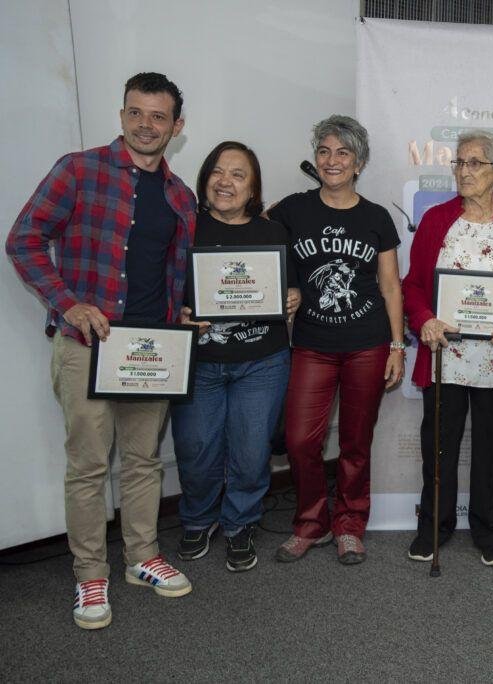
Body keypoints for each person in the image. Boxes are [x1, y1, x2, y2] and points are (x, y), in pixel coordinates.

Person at [6, 72, 196, 629]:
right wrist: (67, 303)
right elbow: (23, 239)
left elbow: (172, 271)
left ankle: (141, 558)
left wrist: (179, 312)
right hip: (87, 345)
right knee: (88, 467)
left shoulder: (179, 195)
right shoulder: (78, 170)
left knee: (143, 461)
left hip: (150, 350)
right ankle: (90, 575)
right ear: (122, 116)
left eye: (158, 116)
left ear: (176, 127)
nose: (146, 125)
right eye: (136, 113)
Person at [267, 115, 404, 565]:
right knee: (301, 441)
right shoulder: (292, 210)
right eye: (324, 151)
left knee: (355, 441)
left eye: (343, 152)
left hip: (368, 343)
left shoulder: (376, 217)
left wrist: (398, 347)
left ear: (359, 162)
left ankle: (349, 524)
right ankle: (311, 524)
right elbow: (254, 243)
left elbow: (390, 286)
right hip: (312, 343)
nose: (332, 160)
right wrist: (285, 285)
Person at [402, 130, 493, 567]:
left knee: (491, 448)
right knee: (438, 447)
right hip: (444, 356)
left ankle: (488, 529)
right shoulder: (436, 220)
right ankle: (434, 528)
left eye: (474, 163)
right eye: (459, 163)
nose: (464, 171)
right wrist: (423, 319)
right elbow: (413, 287)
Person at [170, 142, 300, 572]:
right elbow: (162, 287)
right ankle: (198, 519)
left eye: (238, 175)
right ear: (205, 179)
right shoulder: (184, 228)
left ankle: (241, 521)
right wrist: (179, 314)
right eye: (218, 172)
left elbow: (293, 287)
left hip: (261, 361)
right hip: (200, 363)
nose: (226, 182)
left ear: (253, 188)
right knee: (196, 449)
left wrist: (294, 296)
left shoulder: (274, 233)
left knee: (249, 451)